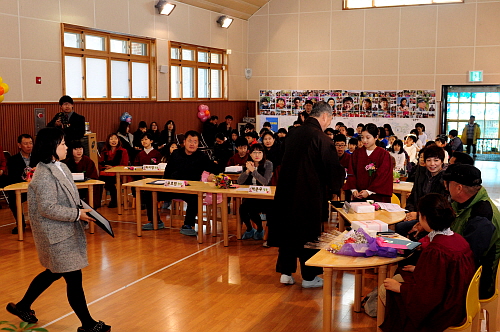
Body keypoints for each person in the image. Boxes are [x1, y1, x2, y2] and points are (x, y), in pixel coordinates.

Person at [6, 127, 110, 332]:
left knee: (53, 272)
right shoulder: (43, 174)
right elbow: (47, 208)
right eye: (62, 143)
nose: (66, 147)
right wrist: (78, 214)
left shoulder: (62, 167)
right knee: (73, 277)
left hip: (65, 230)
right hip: (55, 234)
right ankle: (88, 324)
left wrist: (86, 210)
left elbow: (71, 197)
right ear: (52, 147)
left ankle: (22, 306)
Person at [268, 102, 344, 288]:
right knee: (308, 235)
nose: (329, 123)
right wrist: (337, 183)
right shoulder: (322, 139)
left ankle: (285, 273)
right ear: (325, 116)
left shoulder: (293, 133)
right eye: (330, 119)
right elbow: (332, 170)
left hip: (286, 191)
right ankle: (309, 277)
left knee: (288, 231)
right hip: (308, 194)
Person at [380, 193, 475, 332]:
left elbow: (428, 296)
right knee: (403, 273)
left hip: (444, 311)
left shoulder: (437, 250)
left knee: (389, 289)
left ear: (424, 218)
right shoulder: (459, 240)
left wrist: (400, 288)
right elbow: (444, 276)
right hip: (459, 302)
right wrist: (419, 269)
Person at [143, 131, 221, 234]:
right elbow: (168, 172)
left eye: (195, 142)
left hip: (190, 189)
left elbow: (215, 168)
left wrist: (213, 174)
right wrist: (165, 184)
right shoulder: (176, 153)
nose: (192, 144)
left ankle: (187, 225)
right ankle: (155, 221)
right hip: (173, 187)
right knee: (149, 193)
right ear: (184, 142)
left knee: (195, 197)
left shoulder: (202, 156)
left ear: (198, 144)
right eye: (190, 141)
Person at [443, 164, 500, 299]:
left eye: (448, 183)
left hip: (476, 282)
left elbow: (466, 259)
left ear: (459, 188)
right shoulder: (465, 203)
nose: (445, 187)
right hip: (461, 268)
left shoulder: (482, 217)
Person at [396, 145, 448, 236]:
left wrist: (418, 215)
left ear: (442, 161)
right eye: (428, 160)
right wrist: (409, 213)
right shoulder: (421, 173)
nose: (432, 164)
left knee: (400, 226)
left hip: (432, 219)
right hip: (416, 214)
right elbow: (413, 195)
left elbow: (439, 207)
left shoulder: (444, 179)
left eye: (436, 160)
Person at [344, 123, 393, 203]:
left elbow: (383, 176)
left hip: (377, 196)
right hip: (358, 195)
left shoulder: (384, 154)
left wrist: (369, 191)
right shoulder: (356, 153)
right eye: (362, 137)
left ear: (376, 137)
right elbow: (351, 172)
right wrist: (353, 189)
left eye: (368, 137)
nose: (364, 140)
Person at [238, 143, 273, 240]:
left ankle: (260, 229)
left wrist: (253, 171)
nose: (257, 155)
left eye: (260, 152)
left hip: (264, 196)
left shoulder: (268, 164)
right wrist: (247, 172)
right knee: (242, 209)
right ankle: (249, 229)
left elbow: (265, 182)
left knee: (253, 209)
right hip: (251, 195)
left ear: (263, 154)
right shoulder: (247, 164)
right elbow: (239, 181)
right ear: (250, 154)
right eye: (254, 152)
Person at [7, 134, 38, 234]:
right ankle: (20, 223)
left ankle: (39, 223)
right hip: (21, 188)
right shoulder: (13, 160)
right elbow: (12, 178)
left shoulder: (38, 158)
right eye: (25, 144)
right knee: (12, 198)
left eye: (30, 143)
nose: (29, 146)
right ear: (19, 145)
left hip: (36, 189)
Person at [63, 140, 101, 208]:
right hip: (72, 186)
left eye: (80, 149)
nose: (79, 151)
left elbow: (93, 176)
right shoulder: (67, 162)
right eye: (76, 149)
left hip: (86, 186)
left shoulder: (88, 161)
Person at [98, 133, 129, 208]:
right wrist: (105, 167)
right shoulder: (104, 151)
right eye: (111, 139)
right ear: (108, 141)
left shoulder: (123, 151)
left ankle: (114, 201)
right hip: (106, 172)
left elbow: (125, 164)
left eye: (115, 138)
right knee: (98, 182)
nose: (113, 141)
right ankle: (97, 202)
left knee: (109, 182)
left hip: (118, 173)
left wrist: (113, 167)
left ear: (118, 140)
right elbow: (100, 163)